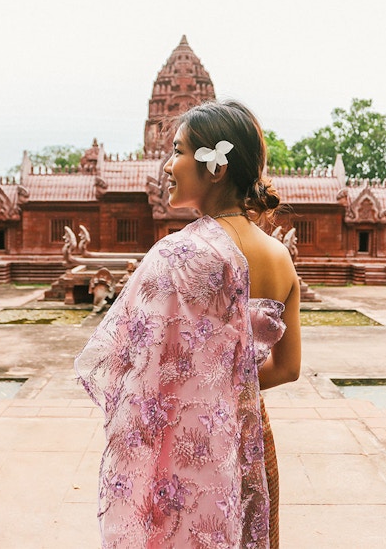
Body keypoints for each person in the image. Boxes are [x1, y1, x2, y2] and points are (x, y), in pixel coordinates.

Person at [75, 100, 301, 549]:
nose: (167, 165)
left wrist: (197, 400)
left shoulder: (176, 254)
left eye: (177, 150)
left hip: (183, 449)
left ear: (215, 168)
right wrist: (224, 392)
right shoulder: (280, 257)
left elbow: (125, 360)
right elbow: (288, 368)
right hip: (249, 438)